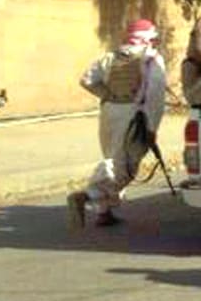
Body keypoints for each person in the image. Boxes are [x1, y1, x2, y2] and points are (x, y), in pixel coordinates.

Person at [68, 19, 168, 228]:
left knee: (112, 158)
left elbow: (87, 80)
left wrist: (108, 95)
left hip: (109, 112)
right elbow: (155, 97)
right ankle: (88, 196)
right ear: (148, 38)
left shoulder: (111, 57)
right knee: (125, 165)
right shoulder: (151, 59)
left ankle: (105, 212)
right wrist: (151, 128)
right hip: (134, 115)